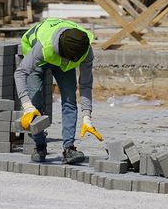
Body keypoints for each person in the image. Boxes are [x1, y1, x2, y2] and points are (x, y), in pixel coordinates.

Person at [14, 18, 103, 164]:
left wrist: (87, 115)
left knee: (69, 100)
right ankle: (40, 146)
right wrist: (26, 104)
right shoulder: (43, 47)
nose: (69, 63)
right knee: (35, 102)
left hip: (61, 52)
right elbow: (20, 73)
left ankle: (69, 149)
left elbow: (85, 85)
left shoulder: (85, 49)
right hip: (37, 54)